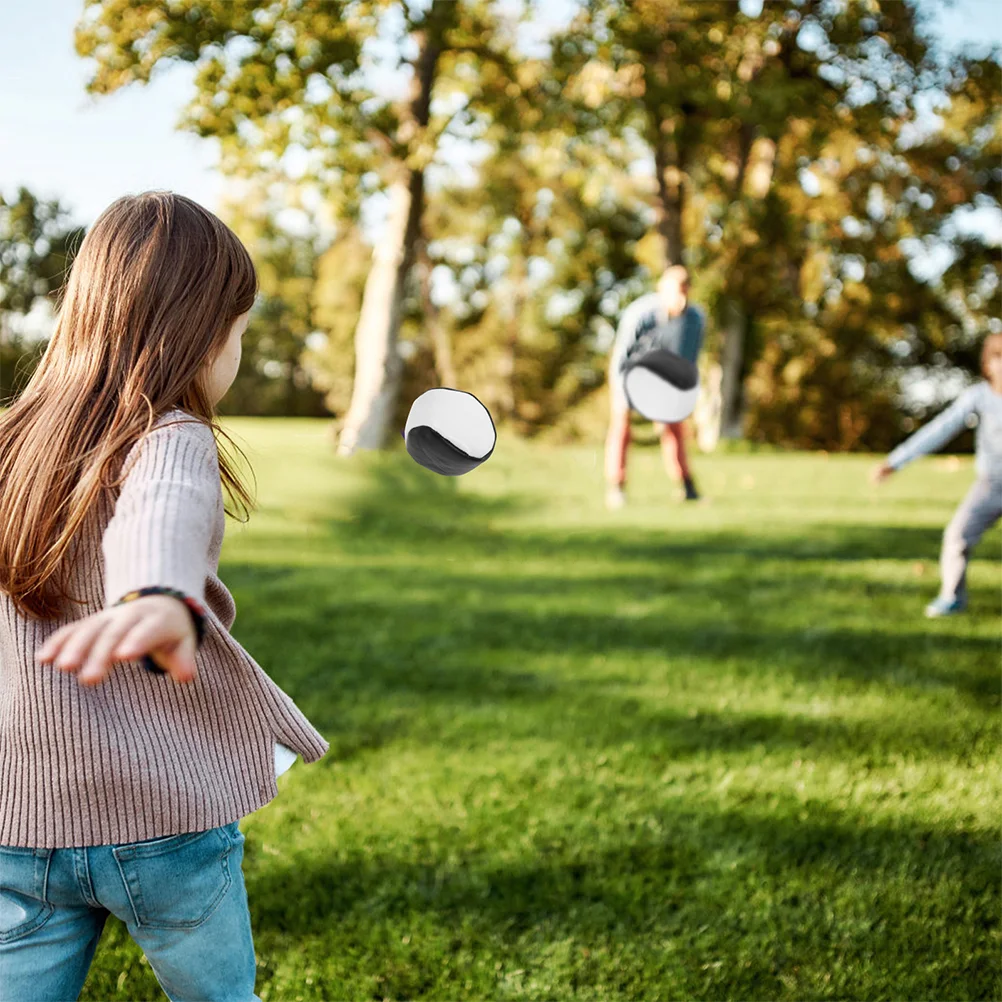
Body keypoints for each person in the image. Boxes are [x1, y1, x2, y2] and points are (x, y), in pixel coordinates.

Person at [0, 192, 329, 999]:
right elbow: (165, 506)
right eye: (241, 334)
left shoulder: (9, 439)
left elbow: (154, 520)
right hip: (165, 822)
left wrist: (152, 588)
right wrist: (157, 593)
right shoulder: (172, 435)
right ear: (201, 335)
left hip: (18, 822)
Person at [872, 331, 1002, 617]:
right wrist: (895, 461)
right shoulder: (979, 397)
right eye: (999, 358)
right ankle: (952, 597)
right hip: (991, 485)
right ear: (988, 364)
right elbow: (939, 429)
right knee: (957, 535)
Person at [605, 265, 706, 509]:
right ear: (662, 290)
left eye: (685, 292)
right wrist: (622, 393)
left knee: (674, 427)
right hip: (630, 373)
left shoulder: (695, 319)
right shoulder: (640, 314)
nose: (680, 300)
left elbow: (688, 360)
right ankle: (616, 487)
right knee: (621, 425)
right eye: (675, 292)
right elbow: (621, 356)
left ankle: (687, 487)